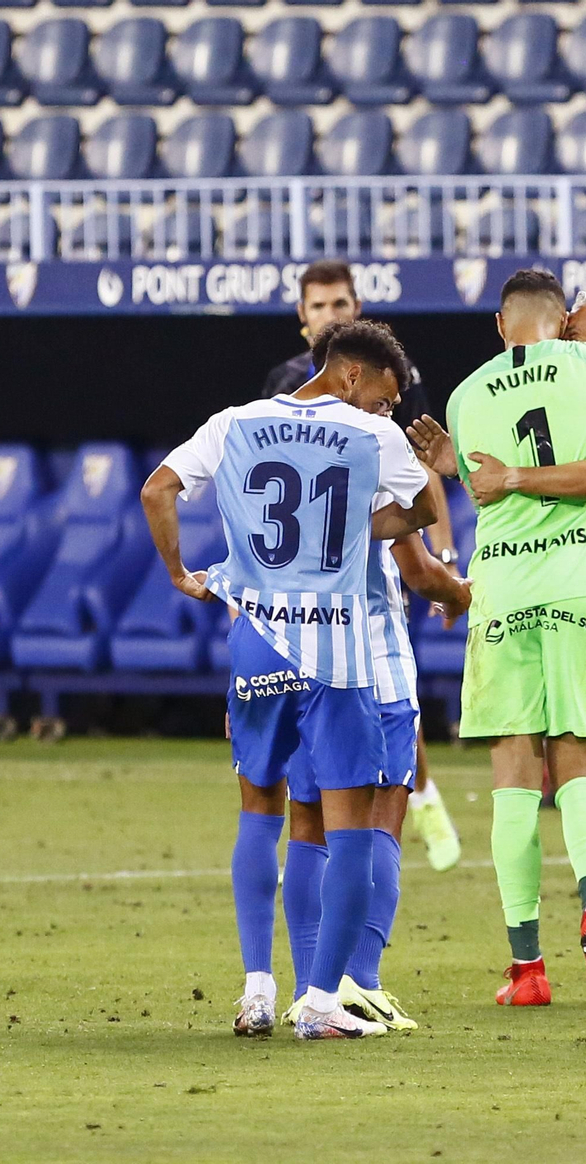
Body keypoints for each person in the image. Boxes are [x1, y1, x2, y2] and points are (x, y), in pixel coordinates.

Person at [143, 319, 434, 1040]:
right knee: (351, 825)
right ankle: (324, 1002)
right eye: (383, 398)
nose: (385, 412)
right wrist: (369, 522)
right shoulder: (374, 438)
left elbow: (158, 490)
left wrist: (180, 573)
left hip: (257, 644)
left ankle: (257, 990)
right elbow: (426, 510)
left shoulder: (235, 422)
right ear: (351, 376)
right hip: (336, 649)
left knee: (260, 811)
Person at [406, 270, 586, 1008]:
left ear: (500, 324)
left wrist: (456, 469)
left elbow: (486, 488)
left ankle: (528, 968)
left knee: (516, 781)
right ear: (558, 323)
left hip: (505, 592)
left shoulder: (463, 397)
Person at [262, 259, 464, 870]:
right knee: (359, 696)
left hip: (369, 571)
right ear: (303, 318)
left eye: (340, 304)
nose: (330, 314)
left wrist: (442, 558)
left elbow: (421, 464)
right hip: (309, 586)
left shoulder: (387, 384)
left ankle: (417, 791)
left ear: (357, 308)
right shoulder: (282, 387)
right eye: (319, 306)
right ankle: (384, 813)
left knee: (388, 682)